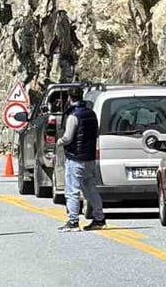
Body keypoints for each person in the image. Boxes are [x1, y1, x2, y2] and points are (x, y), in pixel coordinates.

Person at [58, 87, 106, 232]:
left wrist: (59, 141)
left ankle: (73, 221)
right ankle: (99, 219)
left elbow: (68, 137)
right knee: (91, 189)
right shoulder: (91, 113)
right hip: (90, 158)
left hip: (76, 158)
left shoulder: (73, 116)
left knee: (72, 190)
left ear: (69, 98)